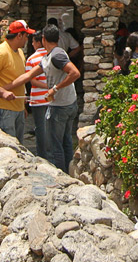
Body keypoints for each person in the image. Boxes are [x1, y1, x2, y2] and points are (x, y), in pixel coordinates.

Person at [34, 24, 81, 172]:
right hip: (69, 104)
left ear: (43, 39)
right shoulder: (50, 56)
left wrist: (54, 88)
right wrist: (6, 89)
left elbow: (75, 73)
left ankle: (60, 175)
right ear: (59, 38)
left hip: (60, 107)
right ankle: (68, 171)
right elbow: (28, 76)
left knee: (55, 145)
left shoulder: (56, 55)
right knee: (66, 141)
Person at [23, 32, 50, 159]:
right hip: (53, 98)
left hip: (38, 99)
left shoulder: (31, 59)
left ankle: (42, 156)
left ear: (39, 42)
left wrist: (46, 87)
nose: (32, 44)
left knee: (40, 129)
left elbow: (32, 81)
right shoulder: (53, 56)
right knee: (51, 128)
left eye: (33, 42)